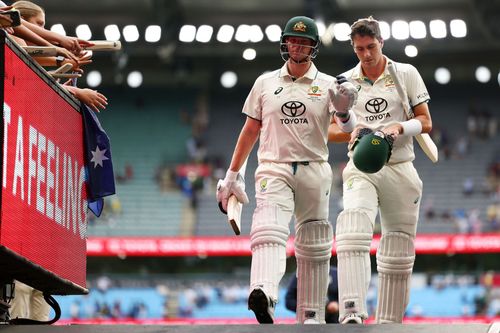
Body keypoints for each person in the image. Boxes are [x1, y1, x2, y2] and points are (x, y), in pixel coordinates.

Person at [216, 16, 358, 324]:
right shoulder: (265, 83)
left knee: (315, 242)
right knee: (268, 229)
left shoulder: (329, 85)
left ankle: (311, 314)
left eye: (304, 41)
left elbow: (347, 129)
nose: (297, 45)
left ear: (313, 47)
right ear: (285, 43)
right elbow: (250, 129)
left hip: (314, 168)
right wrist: (231, 174)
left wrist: (345, 112)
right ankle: (264, 294)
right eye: (293, 40)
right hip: (273, 167)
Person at [328, 16, 433, 324]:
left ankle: (389, 322)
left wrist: (397, 127)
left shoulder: (405, 74)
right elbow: (332, 131)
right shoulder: (343, 82)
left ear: (381, 42)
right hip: (361, 166)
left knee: (398, 247)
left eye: (371, 46)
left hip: (400, 165)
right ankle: (352, 311)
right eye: (359, 48)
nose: (366, 54)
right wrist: (352, 126)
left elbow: (426, 122)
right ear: (353, 47)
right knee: (352, 230)